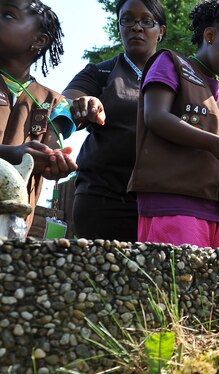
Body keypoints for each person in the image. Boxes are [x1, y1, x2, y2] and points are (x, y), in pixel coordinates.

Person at [128, 0, 219, 248]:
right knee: (178, 284)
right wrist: (216, 144)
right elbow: (155, 117)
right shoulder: (170, 63)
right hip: (174, 203)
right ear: (210, 36)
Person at [63, 0, 167, 242]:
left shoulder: (178, 76)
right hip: (103, 199)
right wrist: (82, 104)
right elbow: (65, 101)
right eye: (127, 19)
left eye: (146, 21)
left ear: (160, 31)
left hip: (163, 201)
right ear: (119, 26)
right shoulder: (100, 72)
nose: (136, 27)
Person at [0, 0, 77, 226]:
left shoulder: (56, 103)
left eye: (8, 15)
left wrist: (54, 162)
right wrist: (13, 153)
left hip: (12, 228)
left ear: (39, 40)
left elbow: (49, 153)